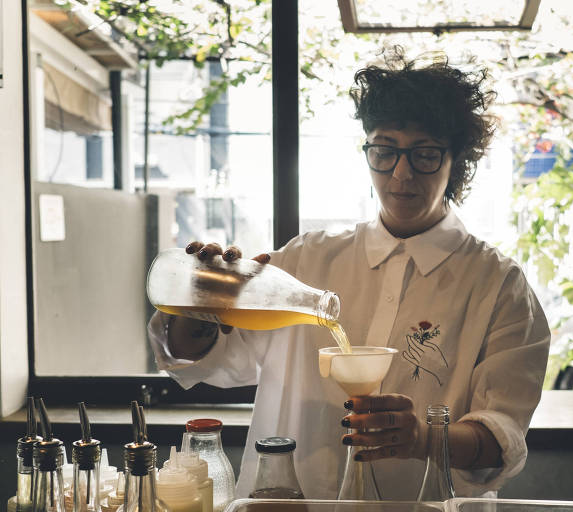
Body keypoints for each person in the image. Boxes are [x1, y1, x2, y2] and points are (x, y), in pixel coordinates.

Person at [148, 49, 550, 500]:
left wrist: (421, 439)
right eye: (384, 151)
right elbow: (207, 360)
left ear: (457, 160)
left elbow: (502, 439)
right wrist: (200, 305)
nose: (401, 173)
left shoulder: (498, 286)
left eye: (424, 154)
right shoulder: (306, 260)